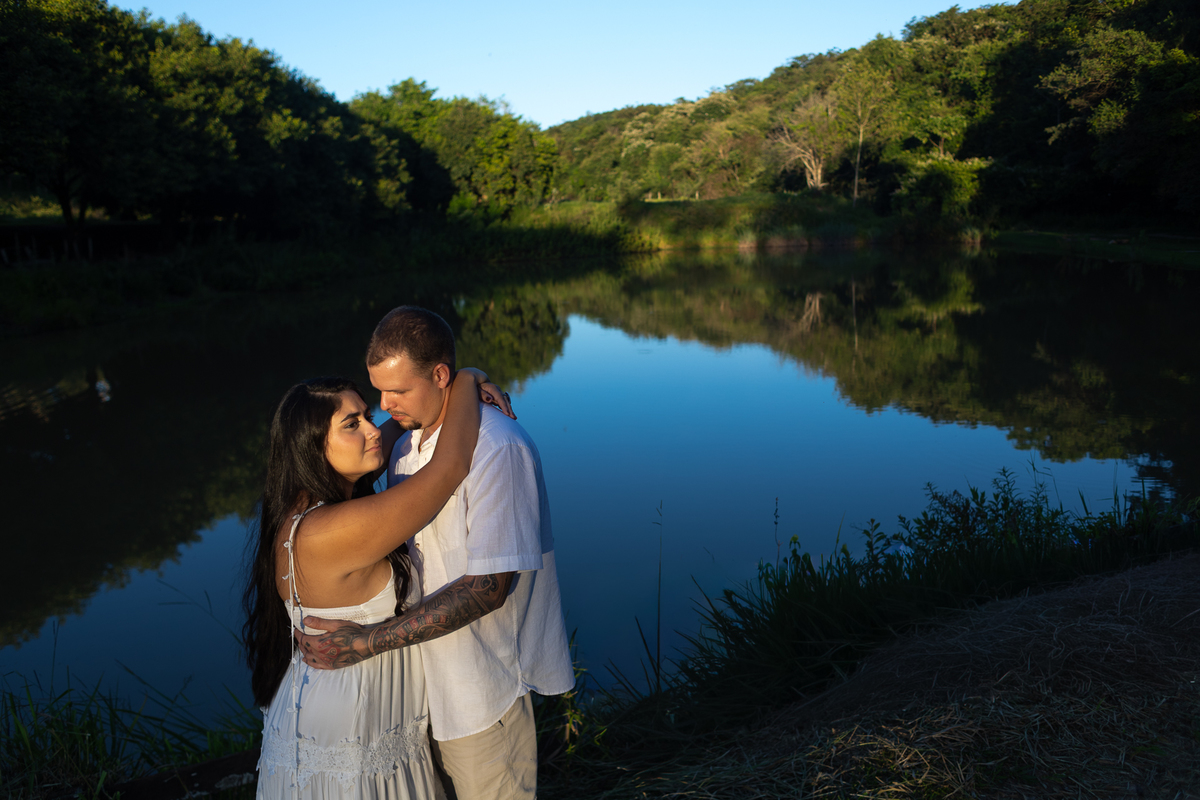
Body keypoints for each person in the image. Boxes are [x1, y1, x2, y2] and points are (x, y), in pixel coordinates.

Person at [296, 306, 575, 800]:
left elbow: (488, 589)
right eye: (378, 390)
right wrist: (470, 378)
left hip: (480, 695)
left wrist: (367, 642)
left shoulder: (496, 448)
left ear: (439, 374)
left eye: (397, 391)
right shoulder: (403, 446)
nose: (385, 404)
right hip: (416, 699)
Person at [244, 368, 511, 799]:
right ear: (312, 447)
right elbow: (451, 467)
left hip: (338, 717)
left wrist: (434, 400)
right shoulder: (331, 530)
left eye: (367, 415)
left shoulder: (304, 510)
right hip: (352, 730)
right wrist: (464, 380)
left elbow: (388, 433)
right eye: (352, 424)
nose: (372, 430)